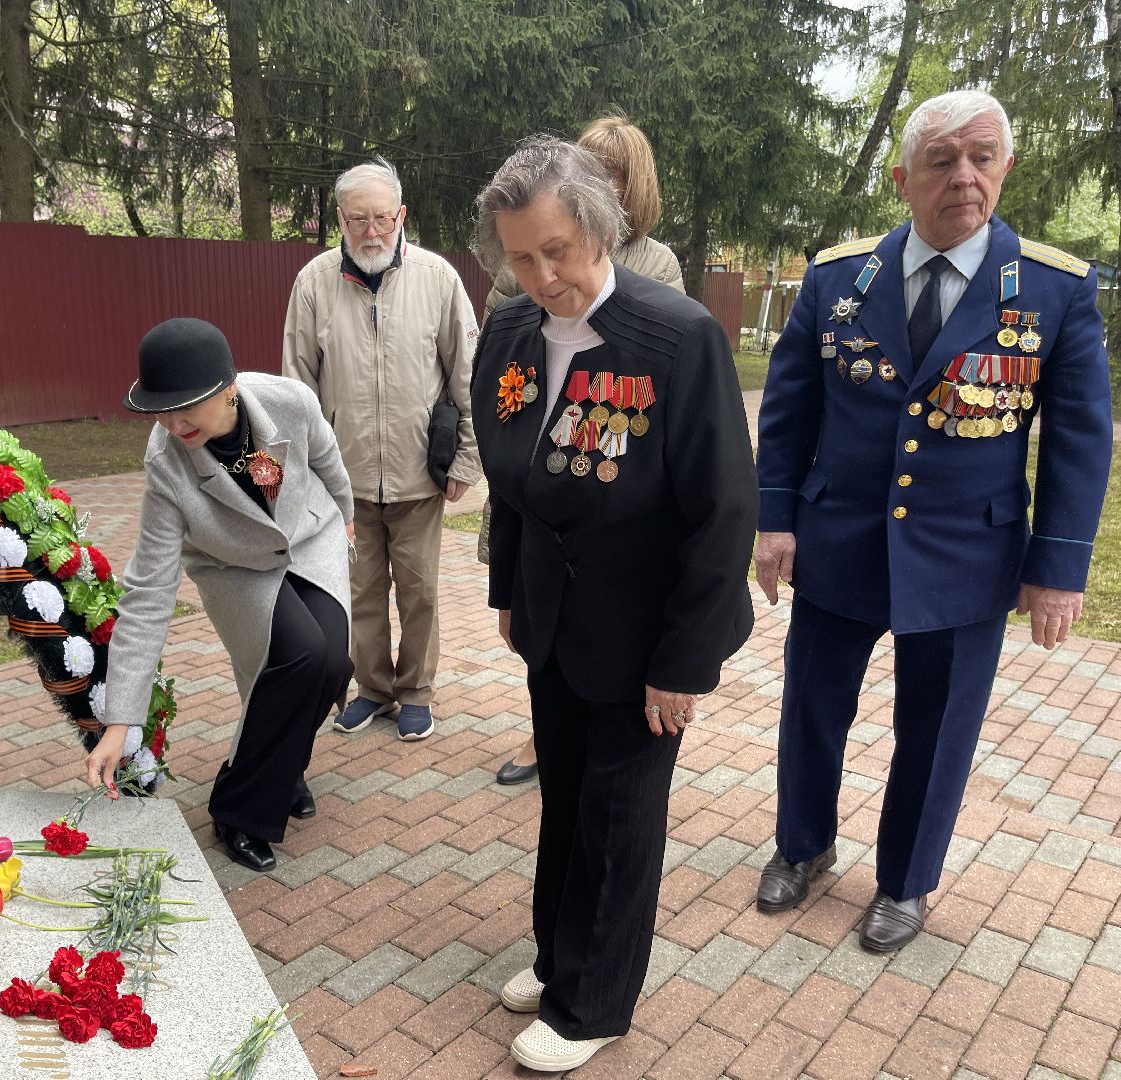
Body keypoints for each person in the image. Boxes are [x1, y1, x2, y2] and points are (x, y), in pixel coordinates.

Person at [754, 89, 1111, 953]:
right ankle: (803, 846)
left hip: (966, 551)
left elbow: (1078, 437)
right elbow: (789, 408)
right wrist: (774, 520)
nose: (964, 176)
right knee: (812, 705)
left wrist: (1058, 565)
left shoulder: (1054, 292)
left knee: (938, 724)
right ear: (901, 177)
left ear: (1005, 169)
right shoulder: (840, 279)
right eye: (943, 159)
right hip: (839, 537)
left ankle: (906, 883)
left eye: (982, 158)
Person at [471, 137, 756, 1073]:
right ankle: (559, 959)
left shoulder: (677, 338)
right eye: (520, 256)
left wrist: (687, 662)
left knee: (621, 814)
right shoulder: (508, 336)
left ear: (598, 226)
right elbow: (512, 488)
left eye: (557, 249)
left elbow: (723, 514)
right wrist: (509, 592)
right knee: (565, 799)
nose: (542, 274)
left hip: (647, 635)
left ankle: (594, 1005)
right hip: (552, 619)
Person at [85, 318, 355, 873]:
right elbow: (150, 590)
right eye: (161, 409)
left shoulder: (290, 402)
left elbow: (327, 460)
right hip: (232, 563)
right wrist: (121, 720)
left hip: (308, 535)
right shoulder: (166, 463)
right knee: (298, 655)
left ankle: (285, 770)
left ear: (228, 388)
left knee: (332, 661)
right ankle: (238, 810)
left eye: (187, 406)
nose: (173, 422)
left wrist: (347, 518)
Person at [480, 114, 685, 787]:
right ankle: (547, 733)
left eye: (613, 174)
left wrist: (683, 660)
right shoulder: (526, 275)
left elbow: (665, 407)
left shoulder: (656, 272)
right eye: (588, 167)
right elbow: (505, 360)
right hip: (538, 473)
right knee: (543, 625)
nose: (544, 273)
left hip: (612, 475)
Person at [282, 156, 481, 742]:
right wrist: (307, 475)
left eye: (382, 219)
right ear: (340, 220)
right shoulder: (313, 283)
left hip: (421, 475)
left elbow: (467, 375)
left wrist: (467, 457)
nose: (372, 231)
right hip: (342, 482)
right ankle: (373, 689)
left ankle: (415, 692)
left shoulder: (438, 279)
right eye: (358, 220)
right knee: (360, 594)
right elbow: (296, 387)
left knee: (419, 593)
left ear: (402, 216)